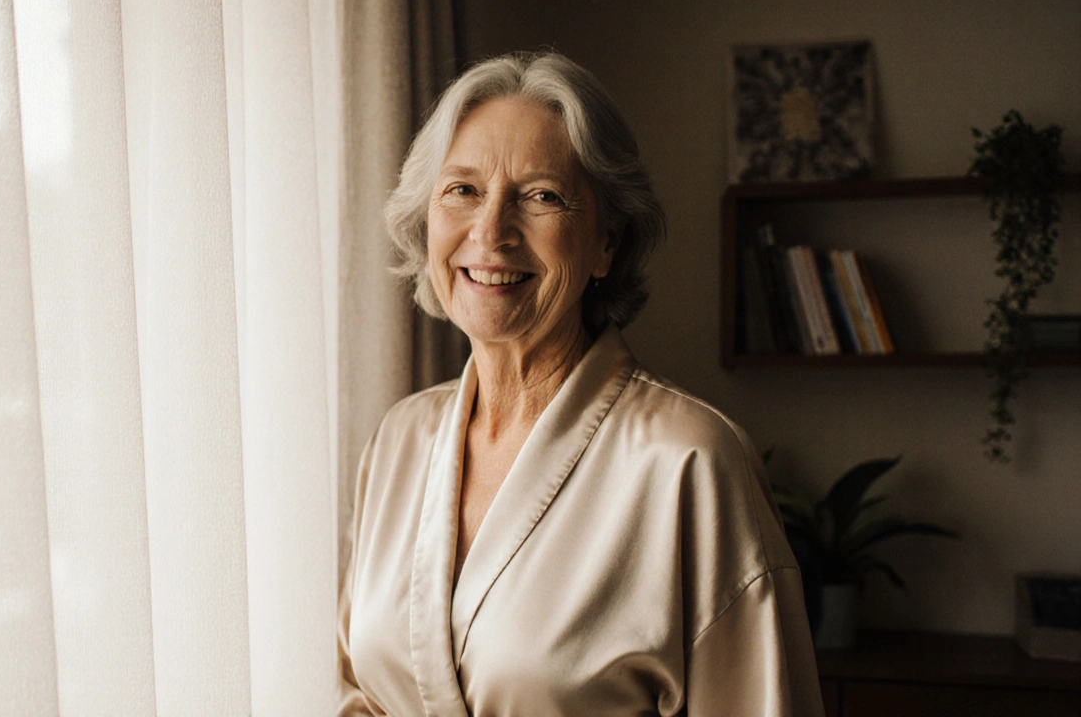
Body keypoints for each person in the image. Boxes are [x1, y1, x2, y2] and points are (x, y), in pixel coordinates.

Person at [338, 51, 821, 716]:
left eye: (541, 196)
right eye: (462, 190)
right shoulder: (399, 441)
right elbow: (357, 693)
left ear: (606, 243)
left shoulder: (691, 460)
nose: (491, 231)